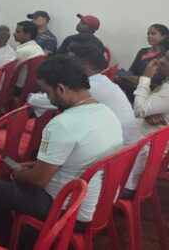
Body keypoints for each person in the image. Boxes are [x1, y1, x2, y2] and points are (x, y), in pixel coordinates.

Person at [0, 55, 123, 248]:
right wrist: (38, 165)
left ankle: (18, 242)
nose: (48, 99)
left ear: (61, 88)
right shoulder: (107, 113)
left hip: (67, 208)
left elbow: (37, 181)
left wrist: (17, 173)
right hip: (99, 204)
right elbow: (78, 158)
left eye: (47, 92)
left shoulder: (62, 124)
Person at [28, 44, 144, 191]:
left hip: (116, 176)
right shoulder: (104, 101)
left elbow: (37, 181)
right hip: (112, 174)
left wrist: (18, 174)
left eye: (70, 59)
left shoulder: (66, 117)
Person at [133, 49, 169, 136]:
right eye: (164, 56)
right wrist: (148, 112)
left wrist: (146, 77)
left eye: (168, 59)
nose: (161, 60)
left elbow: (138, 111)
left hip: (145, 139)